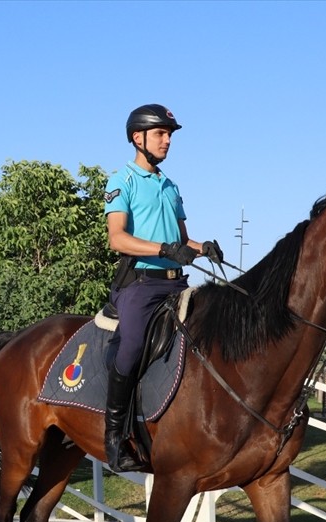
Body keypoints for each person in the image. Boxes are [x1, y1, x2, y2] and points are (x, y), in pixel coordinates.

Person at [103, 104, 223, 473]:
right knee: (134, 344)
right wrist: (162, 249)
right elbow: (117, 239)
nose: (168, 140)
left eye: (169, 134)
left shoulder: (170, 186)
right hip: (141, 284)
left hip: (178, 284)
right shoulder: (122, 181)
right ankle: (113, 437)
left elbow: (183, 240)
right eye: (161, 133)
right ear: (137, 138)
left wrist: (204, 248)